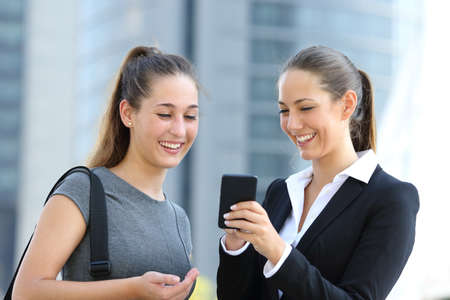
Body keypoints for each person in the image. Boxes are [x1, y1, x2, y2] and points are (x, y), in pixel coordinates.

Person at [217, 45, 419, 300]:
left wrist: (278, 252)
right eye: (284, 110)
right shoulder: (282, 192)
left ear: (346, 105)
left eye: (306, 108)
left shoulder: (391, 198)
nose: (292, 124)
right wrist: (236, 247)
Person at [13, 46, 200, 300]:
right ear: (127, 114)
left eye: (190, 116)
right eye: (165, 114)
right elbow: (26, 292)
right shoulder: (83, 191)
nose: (179, 130)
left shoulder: (179, 220)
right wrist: (131, 289)